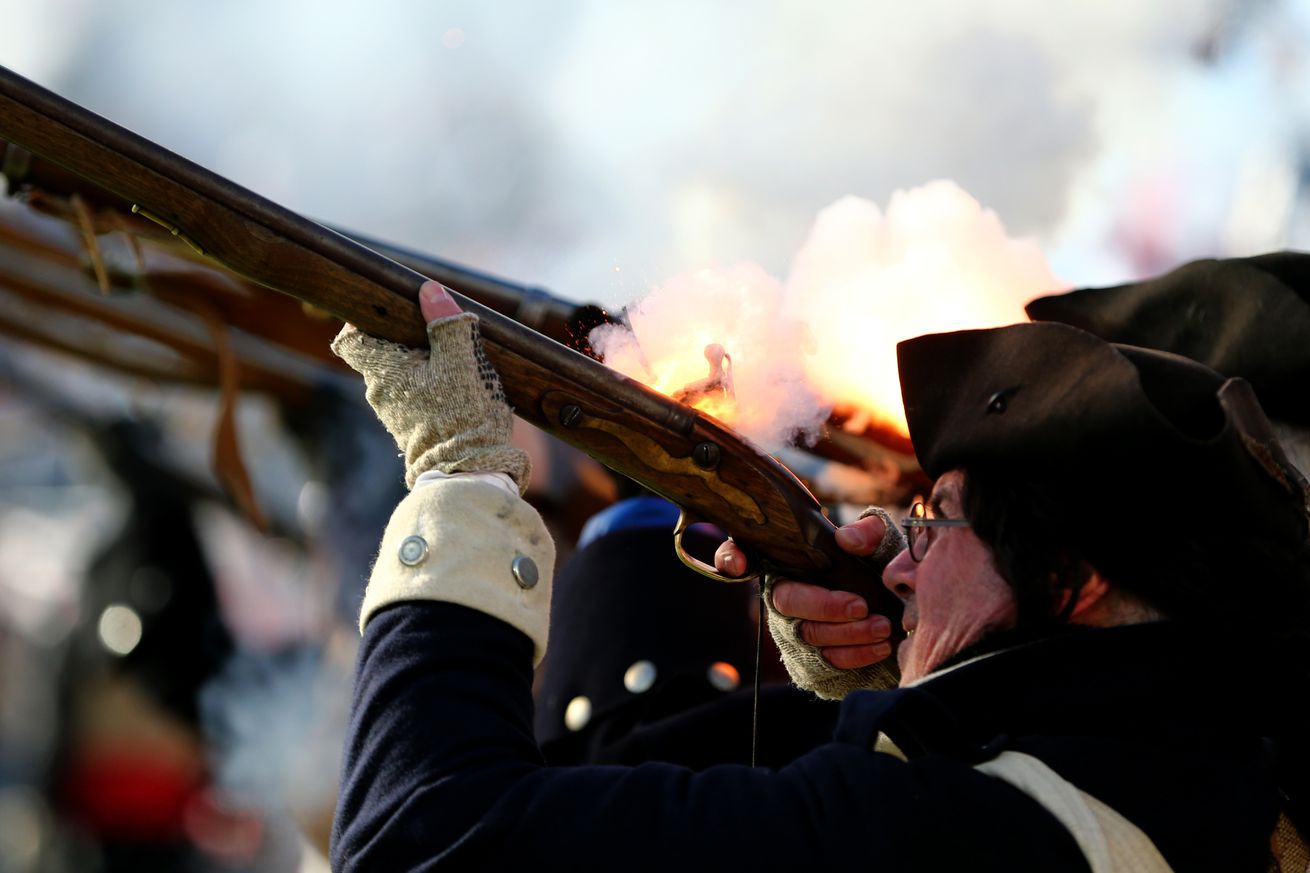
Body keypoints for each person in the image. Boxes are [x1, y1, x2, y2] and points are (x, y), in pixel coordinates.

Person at [329, 280, 1310, 871]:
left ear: (1068, 577)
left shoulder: (975, 830)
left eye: (938, 515)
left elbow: (420, 842)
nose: (895, 545)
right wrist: (907, 690)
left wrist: (459, 473)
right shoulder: (1199, 779)